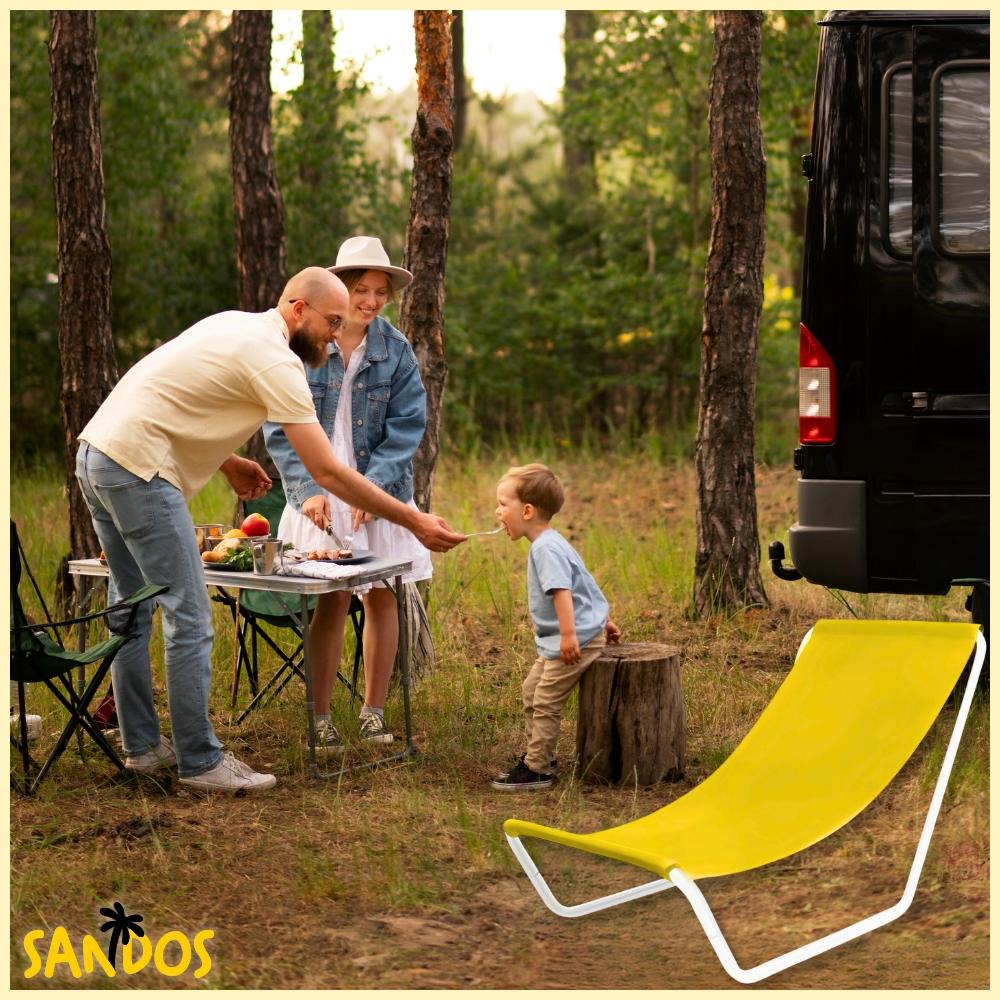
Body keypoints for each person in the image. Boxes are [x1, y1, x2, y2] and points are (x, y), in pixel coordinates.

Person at [75, 266, 465, 794]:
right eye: (331, 320)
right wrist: (413, 519)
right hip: (142, 473)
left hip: (98, 455)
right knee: (188, 616)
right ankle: (200, 762)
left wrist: (227, 460)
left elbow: (169, 396)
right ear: (298, 308)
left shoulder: (233, 323)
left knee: (133, 607)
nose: (335, 331)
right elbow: (326, 472)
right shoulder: (279, 362)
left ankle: (143, 747)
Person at [265, 236, 430, 750]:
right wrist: (308, 488)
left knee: (383, 598)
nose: (373, 301)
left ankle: (373, 712)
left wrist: (372, 489)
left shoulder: (395, 349)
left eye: (382, 291)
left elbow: (407, 426)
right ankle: (319, 718)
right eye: (363, 289)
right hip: (318, 490)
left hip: (378, 489)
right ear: (341, 288)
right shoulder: (307, 339)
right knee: (332, 600)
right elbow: (278, 424)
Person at [489, 463, 621, 791]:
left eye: (504, 504)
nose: (498, 511)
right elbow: (584, 583)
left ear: (528, 510)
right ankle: (541, 756)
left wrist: (569, 635)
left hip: (573, 639)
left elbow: (563, 592)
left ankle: (537, 770)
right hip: (569, 635)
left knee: (546, 698)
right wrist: (604, 620)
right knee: (531, 691)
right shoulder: (551, 542)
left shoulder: (546, 548)